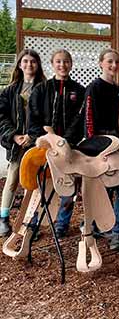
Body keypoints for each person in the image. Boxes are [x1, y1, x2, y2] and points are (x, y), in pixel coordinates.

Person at [28, 48, 85, 238]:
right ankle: (34, 223)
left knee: (68, 187)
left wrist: (65, 142)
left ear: (71, 64)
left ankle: (62, 224)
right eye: (59, 61)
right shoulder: (41, 89)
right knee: (40, 187)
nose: (63, 65)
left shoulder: (79, 90)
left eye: (66, 61)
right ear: (52, 64)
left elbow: (79, 119)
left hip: (69, 148)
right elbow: (33, 119)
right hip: (44, 147)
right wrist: (47, 140)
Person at [83, 48, 119, 251]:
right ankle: (96, 225)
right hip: (100, 146)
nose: (114, 65)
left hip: (118, 143)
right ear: (101, 63)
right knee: (102, 188)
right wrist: (95, 150)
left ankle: (116, 230)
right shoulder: (94, 88)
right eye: (110, 61)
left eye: (117, 62)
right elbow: (88, 119)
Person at [0, 49, 46, 237]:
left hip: (37, 143)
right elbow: (1, 116)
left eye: (33, 61)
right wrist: (14, 135)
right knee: (12, 179)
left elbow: (49, 116)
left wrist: (33, 136)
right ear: (19, 64)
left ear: (38, 64)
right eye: (25, 61)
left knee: (36, 182)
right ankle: (3, 218)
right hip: (17, 144)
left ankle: (32, 220)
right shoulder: (10, 90)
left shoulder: (44, 88)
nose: (29, 65)